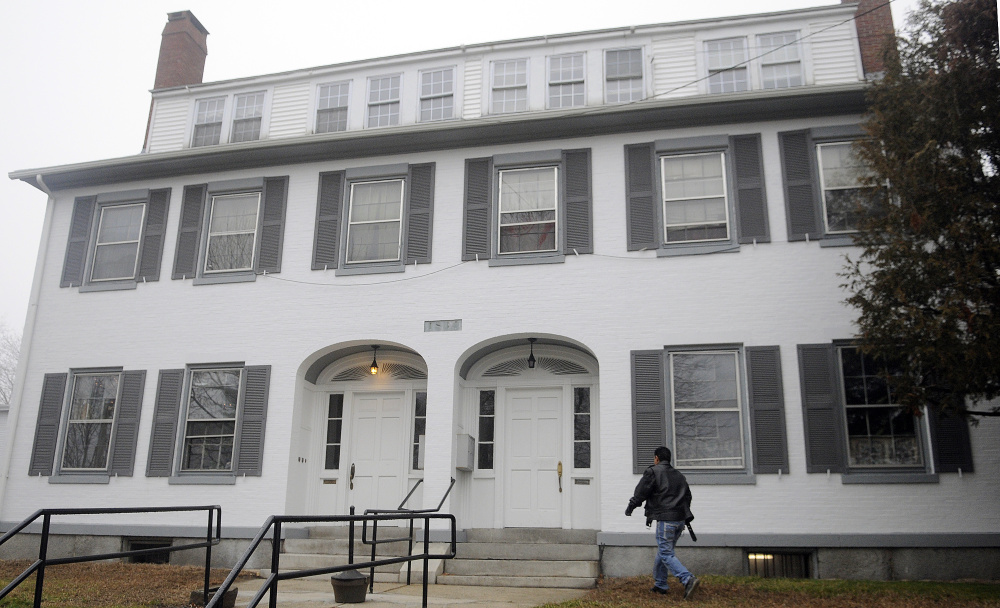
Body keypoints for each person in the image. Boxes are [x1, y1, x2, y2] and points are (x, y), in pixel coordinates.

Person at [626, 446, 700, 599]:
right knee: (664, 551)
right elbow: (688, 497)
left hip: (666, 520)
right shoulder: (679, 475)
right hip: (679, 521)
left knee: (666, 553)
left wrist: (631, 506)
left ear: (657, 458)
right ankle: (660, 584)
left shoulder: (653, 472)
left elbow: (641, 492)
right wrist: (682, 514)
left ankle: (687, 579)